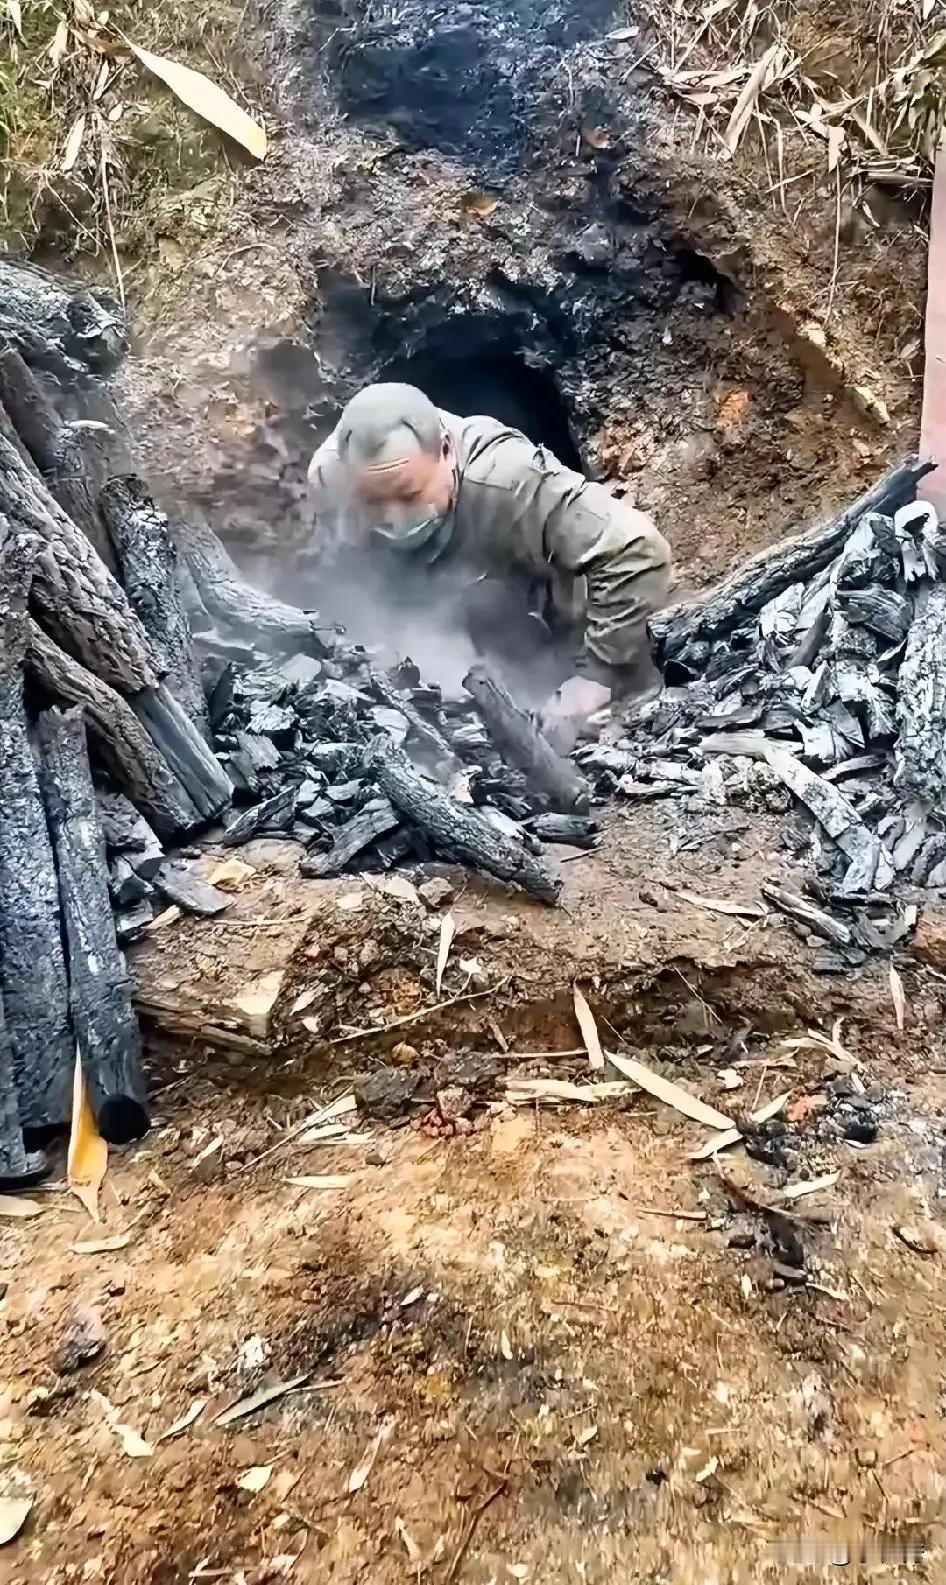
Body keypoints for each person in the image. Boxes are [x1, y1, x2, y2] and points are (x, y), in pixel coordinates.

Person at [307, 382, 671, 746]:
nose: (392, 518)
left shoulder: (508, 480)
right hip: (445, 627)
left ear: (447, 453)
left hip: (558, 630)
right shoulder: (330, 481)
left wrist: (597, 676)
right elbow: (355, 577)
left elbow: (637, 551)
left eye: (409, 496)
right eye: (373, 501)